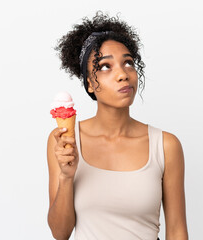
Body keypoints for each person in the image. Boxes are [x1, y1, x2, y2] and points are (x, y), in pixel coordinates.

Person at [46, 11, 188, 240]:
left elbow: (177, 231)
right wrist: (66, 176)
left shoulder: (166, 145)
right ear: (90, 84)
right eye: (105, 66)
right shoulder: (65, 141)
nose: (123, 74)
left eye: (128, 63)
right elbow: (60, 233)